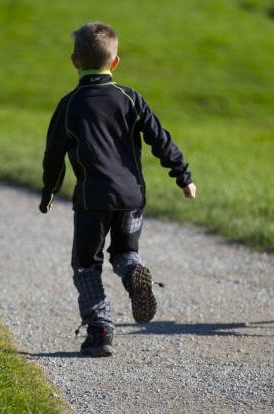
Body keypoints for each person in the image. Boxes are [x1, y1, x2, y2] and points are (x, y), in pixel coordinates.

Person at [39, 21, 197, 357]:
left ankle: (100, 329)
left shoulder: (68, 105)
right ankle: (134, 272)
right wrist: (183, 176)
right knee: (124, 252)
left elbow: (53, 156)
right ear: (115, 62)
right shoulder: (130, 98)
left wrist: (48, 193)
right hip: (131, 198)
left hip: (92, 201)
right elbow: (159, 138)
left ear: (74, 61)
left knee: (86, 264)